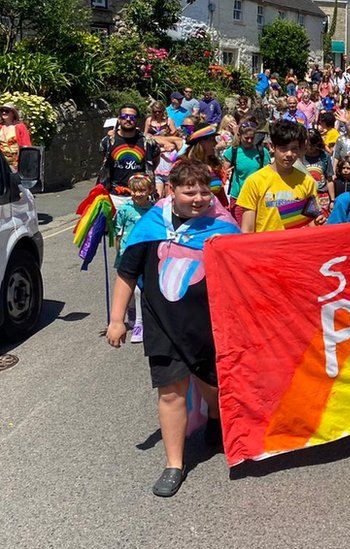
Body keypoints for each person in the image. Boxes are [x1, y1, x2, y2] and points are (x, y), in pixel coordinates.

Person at [107, 159, 239, 497]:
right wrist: (117, 319)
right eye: (188, 191)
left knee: (212, 385)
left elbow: (243, 272)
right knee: (170, 393)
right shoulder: (151, 226)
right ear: (171, 191)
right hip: (162, 324)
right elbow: (127, 272)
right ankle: (174, 464)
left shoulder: (222, 227)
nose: (197, 198)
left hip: (209, 326)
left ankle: (213, 417)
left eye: (203, 191)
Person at [237, 120, 325, 233]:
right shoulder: (254, 182)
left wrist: (317, 222)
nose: (289, 154)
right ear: (272, 147)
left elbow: (311, 222)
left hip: (295, 247)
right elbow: (247, 230)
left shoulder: (307, 181)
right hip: (266, 248)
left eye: (294, 148)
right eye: (283, 148)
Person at [114, 173, 155, 343]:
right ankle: (131, 311)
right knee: (129, 290)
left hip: (146, 253)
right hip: (127, 252)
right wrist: (118, 253)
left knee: (139, 289)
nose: (138, 194)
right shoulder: (125, 209)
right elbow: (118, 232)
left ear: (149, 190)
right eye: (134, 190)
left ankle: (139, 323)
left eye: (142, 190)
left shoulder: (154, 209)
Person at [98, 104, 160, 208]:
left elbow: (155, 161)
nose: (128, 119)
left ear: (137, 120)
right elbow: (104, 163)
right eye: (124, 116)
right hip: (114, 196)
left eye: (132, 117)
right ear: (119, 119)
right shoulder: (108, 142)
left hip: (141, 196)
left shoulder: (148, 142)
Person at [222, 119, 268, 224]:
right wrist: (225, 173)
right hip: (239, 198)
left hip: (258, 198)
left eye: (252, 138)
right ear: (239, 135)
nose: (249, 141)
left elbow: (268, 172)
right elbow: (223, 171)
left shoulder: (262, 152)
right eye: (246, 138)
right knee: (241, 229)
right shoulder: (232, 152)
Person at [180, 125, 229, 207]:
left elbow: (220, 194)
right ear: (202, 142)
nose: (216, 143)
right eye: (212, 140)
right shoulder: (184, 166)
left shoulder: (214, 164)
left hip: (216, 213)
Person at [0, 103, 32, 171]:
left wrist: (23, 163)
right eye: (2, 110)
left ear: (13, 113)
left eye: (7, 111)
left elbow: (26, 146)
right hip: (2, 165)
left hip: (16, 165)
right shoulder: (0, 127)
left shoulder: (20, 127)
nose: (4, 112)